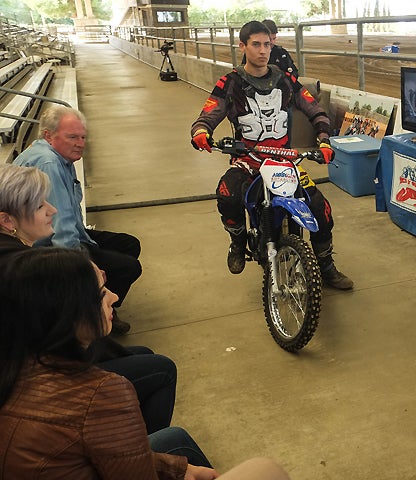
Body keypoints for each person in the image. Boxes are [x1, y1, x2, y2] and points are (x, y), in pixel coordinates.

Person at [0, 247, 291, 480]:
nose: (114, 297)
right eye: (102, 294)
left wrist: (176, 469)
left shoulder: (16, 363)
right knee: (266, 470)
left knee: (175, 440)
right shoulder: (102, 393)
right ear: (68, 316)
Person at [0, 163, 177, 435]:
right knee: (162, 369)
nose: (52, 209)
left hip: (29, 375)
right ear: (8, 221)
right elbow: (64, 342)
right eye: (39, 206)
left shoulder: (19, 257)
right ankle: (145, 448)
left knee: (144, 356)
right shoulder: (24, 269)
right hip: (36, 386)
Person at [191, 20, 353, 290]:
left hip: (284, 162)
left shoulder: (286, 79)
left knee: (321, 210)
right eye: (256, 44)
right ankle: (237, 241)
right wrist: (200, 131)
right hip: (248, 162)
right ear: (242, 46)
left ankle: (326, 266)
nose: (263, 50)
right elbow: (208, 114)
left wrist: (324, 140)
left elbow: (316, 112)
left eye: (267, 44)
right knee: (226, 194)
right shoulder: (229, 83)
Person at [13, 104, 142, 334]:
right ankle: (90, 315)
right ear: (48, 136)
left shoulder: (57, 157)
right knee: (128, 267)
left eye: (83, 137)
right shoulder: (49, 164)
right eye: (72, 137)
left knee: (129, 244)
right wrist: (85, 267)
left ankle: (104, 303)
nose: (80, 143)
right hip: (45, 248)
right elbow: (61, 232)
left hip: (62, 234)